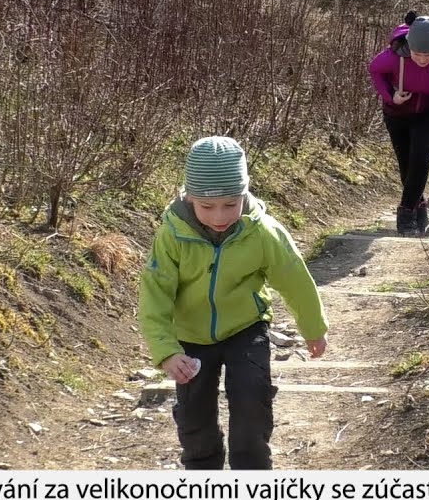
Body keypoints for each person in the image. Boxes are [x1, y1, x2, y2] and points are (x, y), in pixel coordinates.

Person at [138, 136, 328, 471]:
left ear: (244, 193)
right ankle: (202, 470)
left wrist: (313, 328)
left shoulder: (262, 231)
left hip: (246, 327)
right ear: (189, 197)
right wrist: (166, 351)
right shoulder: (172, 234)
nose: (220, 216)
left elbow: (294, 277)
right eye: (207, 206)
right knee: (194, 414)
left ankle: (252, 473)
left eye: (230, 204)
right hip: (190, 335)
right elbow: (155, 293)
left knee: (252, 398)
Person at [367, 11, 429, 236]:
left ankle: (406, 213)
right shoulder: (394, 54)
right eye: (417, 54)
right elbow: (375, 70)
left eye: (428, 55)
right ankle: (419, 208)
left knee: (420, 160)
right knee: (406, 165)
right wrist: (391, 96)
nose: (422, 60)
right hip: (397, 113)